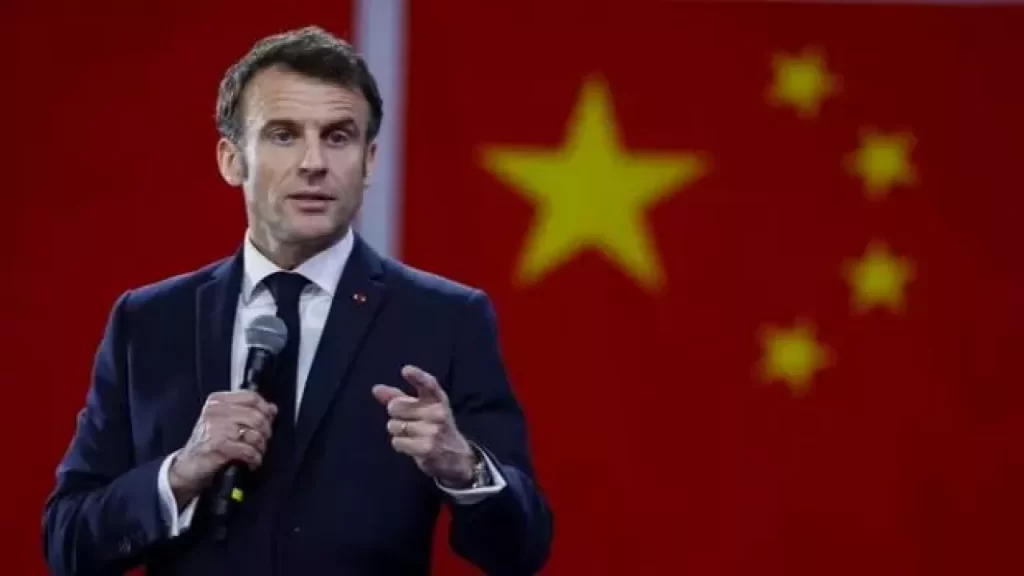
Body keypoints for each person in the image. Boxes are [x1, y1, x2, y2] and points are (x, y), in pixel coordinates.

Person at [42, 26, 553, 576]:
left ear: (369, 161)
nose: (314, 162)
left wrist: (466, 469)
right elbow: (68, 544)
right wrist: (179, 474)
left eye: (338, 137)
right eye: (284, 135)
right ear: (231, 160)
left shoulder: (445, 320)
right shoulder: (148, 323)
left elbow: (522, 548)